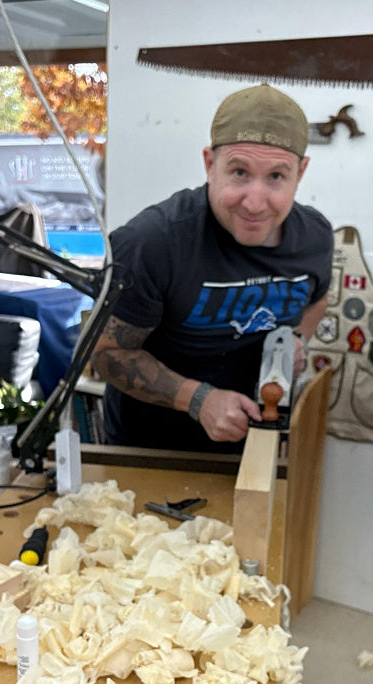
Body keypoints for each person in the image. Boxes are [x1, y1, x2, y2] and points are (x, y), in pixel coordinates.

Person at [91, 83, 333, 453]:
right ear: (209, 164)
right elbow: (106, 354)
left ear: (300, 173)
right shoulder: (151, 242)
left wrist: (297, 340)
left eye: (276, 177)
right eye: (239, 172)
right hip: (151, 449)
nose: (255, 202)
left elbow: (318, 299)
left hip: (254, 441)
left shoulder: (315, 237)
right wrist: (196, 398)